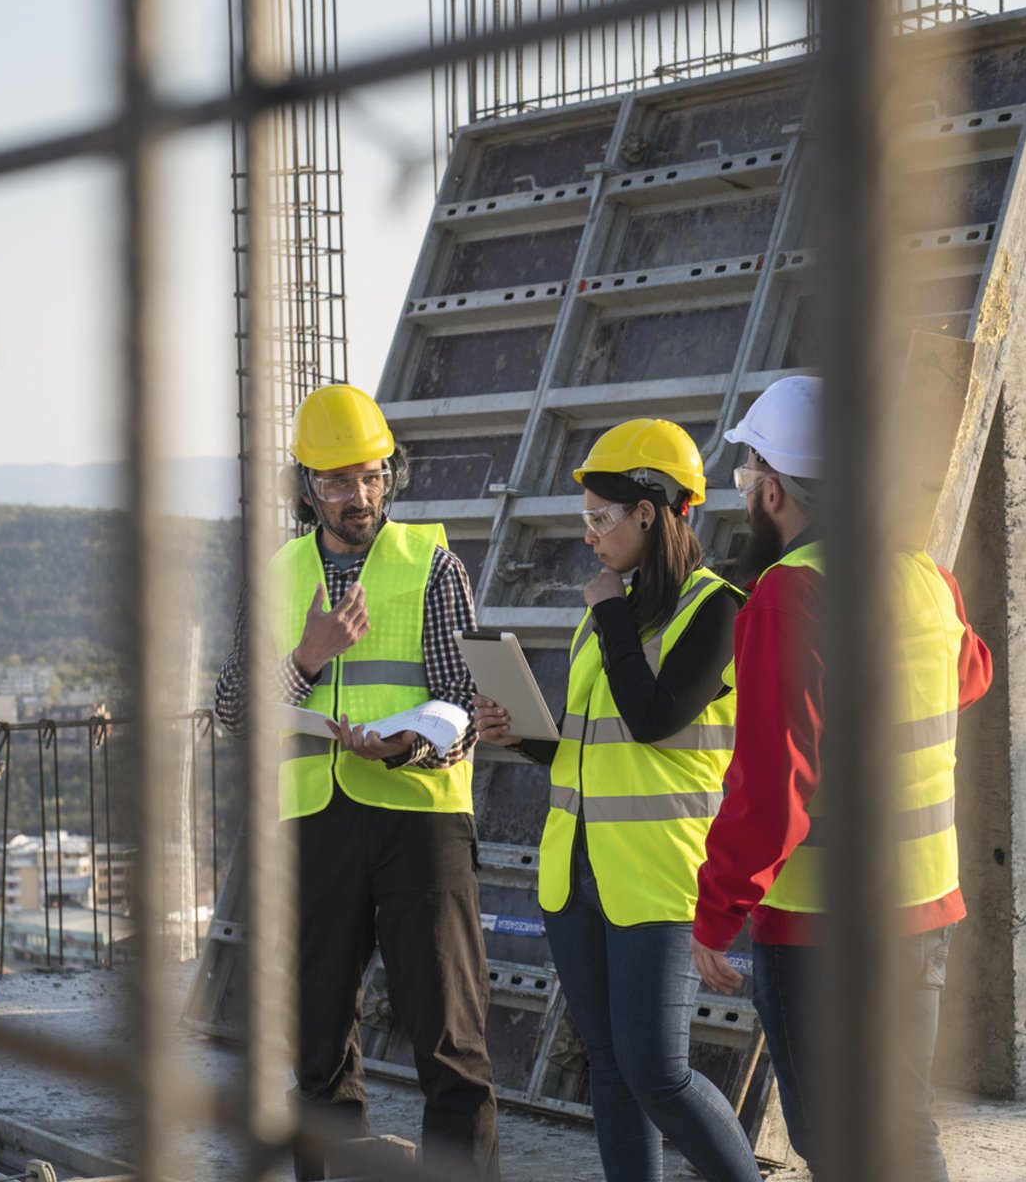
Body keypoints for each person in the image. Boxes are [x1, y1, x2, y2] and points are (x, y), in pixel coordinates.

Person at [687, 375, 993, 1182]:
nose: (745, 496)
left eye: (746, 480)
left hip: (821, 926)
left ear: (775, 489)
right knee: (905, 1127)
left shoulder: (791, 593)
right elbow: (970, 676)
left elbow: (769, 788)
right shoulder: (924, 575)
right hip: (924, 904)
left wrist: (718, 912)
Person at [212, 383, 498, 1180]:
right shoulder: (276, 576)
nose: (360, 496)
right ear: (307, 486)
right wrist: (308, 656)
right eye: (338, 482)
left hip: (420, 822)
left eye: (372, 476)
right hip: (312, 825)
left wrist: (410, 743)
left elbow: (464, 702)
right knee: (316, 1046)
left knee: (451, 1047)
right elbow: (231, 710)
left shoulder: (432, 566)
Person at [472, 420, 762, 1182]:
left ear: (654, 512)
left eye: (603, 519)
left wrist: (608, 615)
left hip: (661, 880)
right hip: (576, 875)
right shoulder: (611, 612)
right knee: (609, 1067)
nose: (591, 537)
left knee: (658, 1074)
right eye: (585, 520)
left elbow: (656, 718)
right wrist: (521, 736)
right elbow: (591, 744)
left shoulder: (717, 610)